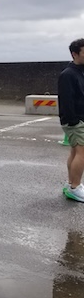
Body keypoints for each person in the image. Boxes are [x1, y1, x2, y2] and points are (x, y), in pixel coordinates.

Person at [58, 38, 84, 203]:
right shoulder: (68, 74)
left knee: (76, 152)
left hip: (79, 119)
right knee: (82, 153)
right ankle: (75, 187)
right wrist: (74, 121)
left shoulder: (80, 71)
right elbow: (66, 100)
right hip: (75, 121)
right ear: (75, 54)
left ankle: (71, 184)